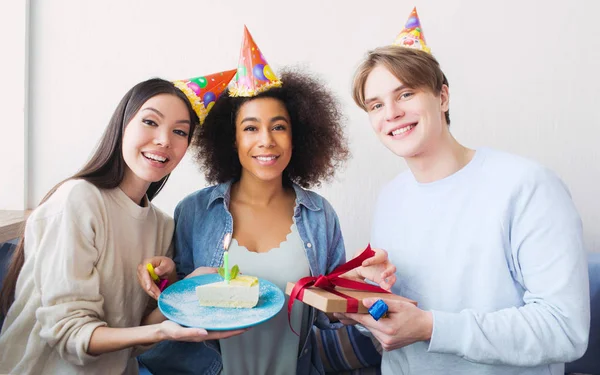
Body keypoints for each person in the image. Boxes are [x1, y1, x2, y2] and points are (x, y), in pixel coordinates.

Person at [335, 8, 590, 375]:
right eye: (376, 105)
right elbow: (398, 334)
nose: (390, 112)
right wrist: (366, 306)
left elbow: (565, 329)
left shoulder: (527, 187)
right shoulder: (390, 198)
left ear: (442, 97)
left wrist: (431, 327)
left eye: (405, 94)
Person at [138, 25, 395, 375]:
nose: (266, 141)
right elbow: (176, 307)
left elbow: (331, 317)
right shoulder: (195, 211)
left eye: (278, 126)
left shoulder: (319, 215)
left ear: (297, 135)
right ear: (232, 140)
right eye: (250, 128)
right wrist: (164, 279)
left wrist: (363, 291)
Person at [0, 77, 244, 375]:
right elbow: (70, 336)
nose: (164, 140)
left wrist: (185, 287)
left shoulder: (162, 225)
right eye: (151, 122)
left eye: (179, 131)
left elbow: (132, 340)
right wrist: (162, 332)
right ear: (123, 124)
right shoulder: (78, 200)